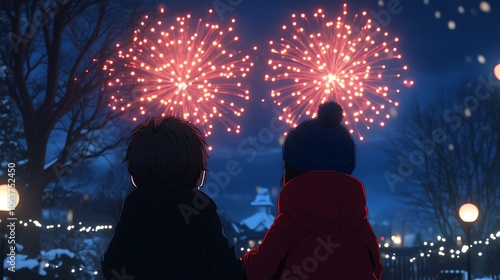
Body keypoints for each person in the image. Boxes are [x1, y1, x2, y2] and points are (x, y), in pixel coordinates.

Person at [242, 102, 383, 280]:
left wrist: (247, 258)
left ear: (291, 169)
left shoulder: (288, 226)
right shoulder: (360, 226)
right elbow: (375, 269)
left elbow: (256, 272)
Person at [101, 116, 244, 279]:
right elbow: (230, 272)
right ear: (198, 174)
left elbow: (111, 267)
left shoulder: (131, 217)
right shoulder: (203, 219)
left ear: (134, 175)